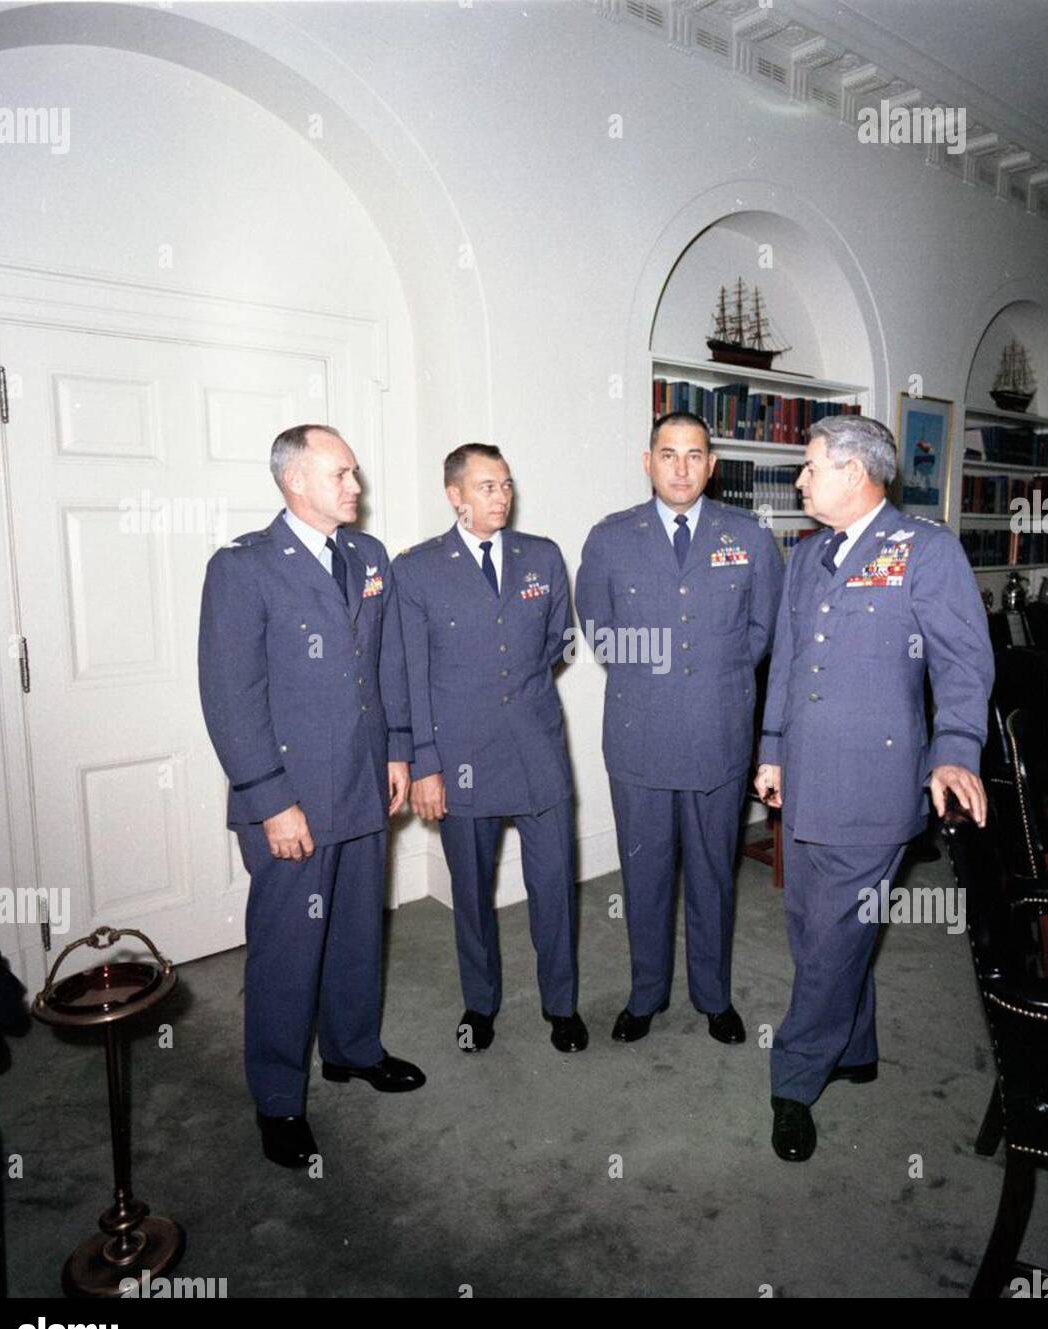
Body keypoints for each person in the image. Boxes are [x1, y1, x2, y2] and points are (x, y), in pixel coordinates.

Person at [754, 414, 992, 1162]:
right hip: (806, 783)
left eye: (810, 466)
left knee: (830, 942)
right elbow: (788, 663)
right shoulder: (807, 556)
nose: (800, 481)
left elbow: (963, 662)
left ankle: (792, 1080)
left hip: (876, 787)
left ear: (856, 472)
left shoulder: (927, 551)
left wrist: (956, 749)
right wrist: (772, 751)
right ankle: (857, 1048)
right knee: (813, 929)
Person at [198, 424, 425, 1170]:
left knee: (359, 931)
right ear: (295, 482)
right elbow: (231, 695)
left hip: (363, 783)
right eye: (341, 474)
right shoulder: (244, 566)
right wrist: (270, 800)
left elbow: (387, 663)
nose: (356, 487)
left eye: (354, 473)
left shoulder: (368, 557)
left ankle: (352, 1050)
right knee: (287, 952)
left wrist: (397, 750)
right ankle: (278, 1099)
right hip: (292, 797)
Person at [575, 412, 783, 1043]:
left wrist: (713, 678)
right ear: (648, 462)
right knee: (644, 874)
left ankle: (713, 996)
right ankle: (645, 995)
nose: (682, 468)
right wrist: (667, 666)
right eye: (669, 454)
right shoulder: (611, 538)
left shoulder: (747, 535)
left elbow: (762, 631)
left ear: (711, 465)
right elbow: (600, 631)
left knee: (715, 875)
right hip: (639, 739)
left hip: (717, 737)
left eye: (695, 455)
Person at [392, 444, 585, 1054]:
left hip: (537, 752)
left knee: (554, 884)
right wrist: (426, 763)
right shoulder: (416, 568)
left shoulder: (543, 556)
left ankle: (562, 1005)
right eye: (485, 487)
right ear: (454, 496)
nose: (500, 497)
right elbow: (411, 676)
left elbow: (559, 639)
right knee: (471, 894)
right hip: (460, 760)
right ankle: (480, 1004)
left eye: (505, 485)